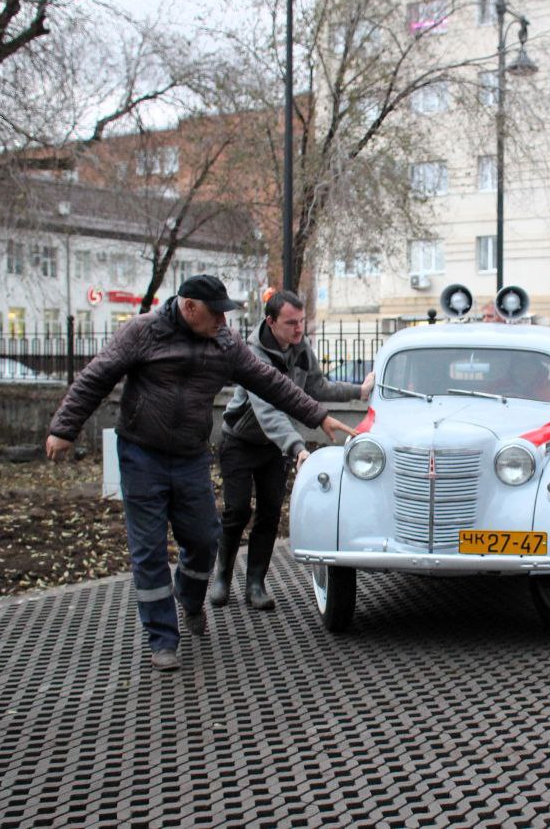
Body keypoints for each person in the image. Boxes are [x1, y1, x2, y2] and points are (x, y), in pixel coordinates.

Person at [46, 275, 355, 671]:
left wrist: (318, 416)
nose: (223, 322)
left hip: (190, 455)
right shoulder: (143, 332)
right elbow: (97, 376)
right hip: (141, 454)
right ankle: (162, 638)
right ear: (188, 307)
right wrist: (63, 428)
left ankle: (190, 598)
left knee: (205, 538)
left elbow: (269, 382)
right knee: (149, 549)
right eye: (216, 313)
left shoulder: (224, 343)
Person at [211, 290, 374, 611]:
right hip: (240, 442)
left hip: (275, 447)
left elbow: (317, 387)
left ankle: (255, 583)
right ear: (271, 322)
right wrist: (298, 447)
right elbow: (268, 411)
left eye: (301, 322)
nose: (299, 330)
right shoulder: (253, 356)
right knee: (237, 510)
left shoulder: (300, 348)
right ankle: (221, 575)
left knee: (270, 512)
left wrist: (359, 390)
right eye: (291, 323)